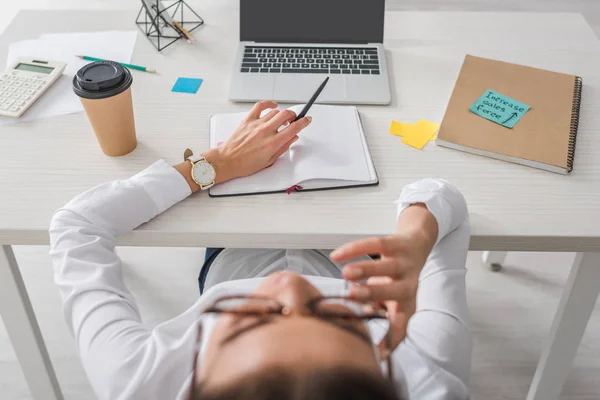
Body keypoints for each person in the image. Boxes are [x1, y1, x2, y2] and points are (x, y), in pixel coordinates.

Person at [49, 101, 471, 400]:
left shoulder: (137, 380)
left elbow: (78, 223)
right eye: (339, 317)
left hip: (232, 253)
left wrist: (213, 164)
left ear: (197, 376)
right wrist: (416, 242)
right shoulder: (427, 374)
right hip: (355, 259)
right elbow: (440, 197)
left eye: (246, 318)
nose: (288, 284)